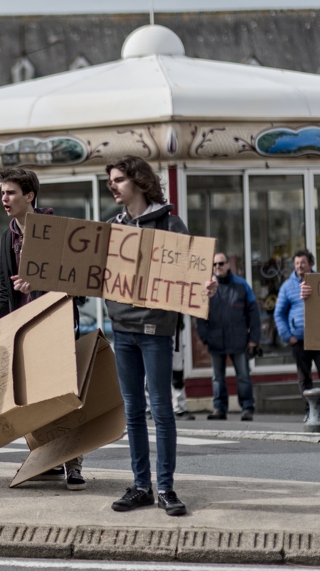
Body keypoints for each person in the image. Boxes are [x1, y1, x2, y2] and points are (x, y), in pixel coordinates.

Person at [103, 155, 216, 517]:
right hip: (122, 330)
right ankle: (141, 486)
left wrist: (206, 286)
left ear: (138, 181)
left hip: (155, 332)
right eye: (111, 180)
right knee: (134, 411)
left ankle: (165, 487)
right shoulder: (112, 227)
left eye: (119, 179)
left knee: (162, 410)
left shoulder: (171, 224)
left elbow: (192, 276)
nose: (113, 186)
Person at [0, 167, 87, 491]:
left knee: (63, 397)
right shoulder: (8, 237)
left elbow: (80, 286)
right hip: (23, 332)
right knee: (31, 401)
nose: (4, 199)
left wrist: (41, 281)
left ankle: (72, 464)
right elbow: (6, 292)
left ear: (29, 196)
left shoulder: (56, 231)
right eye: (2, 193)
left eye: (10, 193)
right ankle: (45, 457)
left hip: (56, 327)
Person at [275, 249, 320, 422]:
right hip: (299, 340)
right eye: (296, 263)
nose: (299, 266)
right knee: (304, 378)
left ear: (311, 264)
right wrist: (287, 336)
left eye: (303, 263)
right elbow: (279, 314)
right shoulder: (287, 286)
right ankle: (309, 411)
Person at [195, 253, 260, 421]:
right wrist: (205, 337)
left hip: (238, 339)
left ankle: (247, 408)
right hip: (215, 339)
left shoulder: (241, 284)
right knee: (217, 378)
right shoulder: (208, 287)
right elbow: (200, 314)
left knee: (243, 375)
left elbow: (253, 313)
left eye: (221, 263)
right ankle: (220, 409)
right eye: (215, 264)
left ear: (228, 264)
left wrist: (254, 338)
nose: (218, 267)